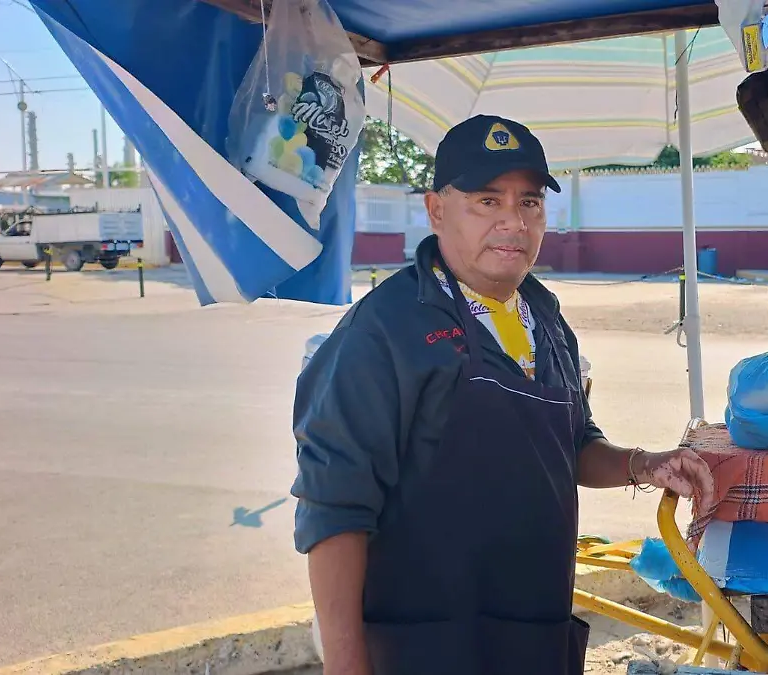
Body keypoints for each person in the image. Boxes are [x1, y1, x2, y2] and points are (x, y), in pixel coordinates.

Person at [291, 114, 715, 675]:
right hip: (425, 647)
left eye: (529, 203)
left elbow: (572, 442)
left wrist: (643, 464)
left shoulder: (544, 315)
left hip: (532, 635)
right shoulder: (385, 330)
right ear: (437, 209)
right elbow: (334, 507)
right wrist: (346, 666)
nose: (513, 222)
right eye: (488, 202)